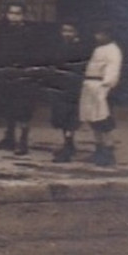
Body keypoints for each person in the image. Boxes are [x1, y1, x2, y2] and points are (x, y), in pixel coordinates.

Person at [0, 2, 39, 155]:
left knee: (23, 108)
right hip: (7, 73)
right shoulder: (2, 32)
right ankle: (9, 137)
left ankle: (23, 140)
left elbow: (35, 56)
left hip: (23, 74)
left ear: (23, 15)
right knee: (8, 105)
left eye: (18, 13)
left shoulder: (30, 33)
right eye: (11, 13)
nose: (14, 16)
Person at [43, 21, 89, 162]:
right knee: (60, 116)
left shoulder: (81, 48)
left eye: (70, 31)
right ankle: (68, 142)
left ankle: (68, 147)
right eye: (64, 30)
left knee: (71, 117)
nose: (66, 34)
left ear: (76, 33)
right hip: (59, 86)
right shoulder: (59, 46)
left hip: (73, 87)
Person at [79, 23, 124, 166]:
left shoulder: (113, 50)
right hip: (90, 86)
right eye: (97, 33)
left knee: (104, 121)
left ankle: (108, 153)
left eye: (101, 34)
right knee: (93, 120)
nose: (97, 36)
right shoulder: (99, 48)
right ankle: (98, 150)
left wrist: (105, 87)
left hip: (101, 89)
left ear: (108, 34)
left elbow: (112, 71)